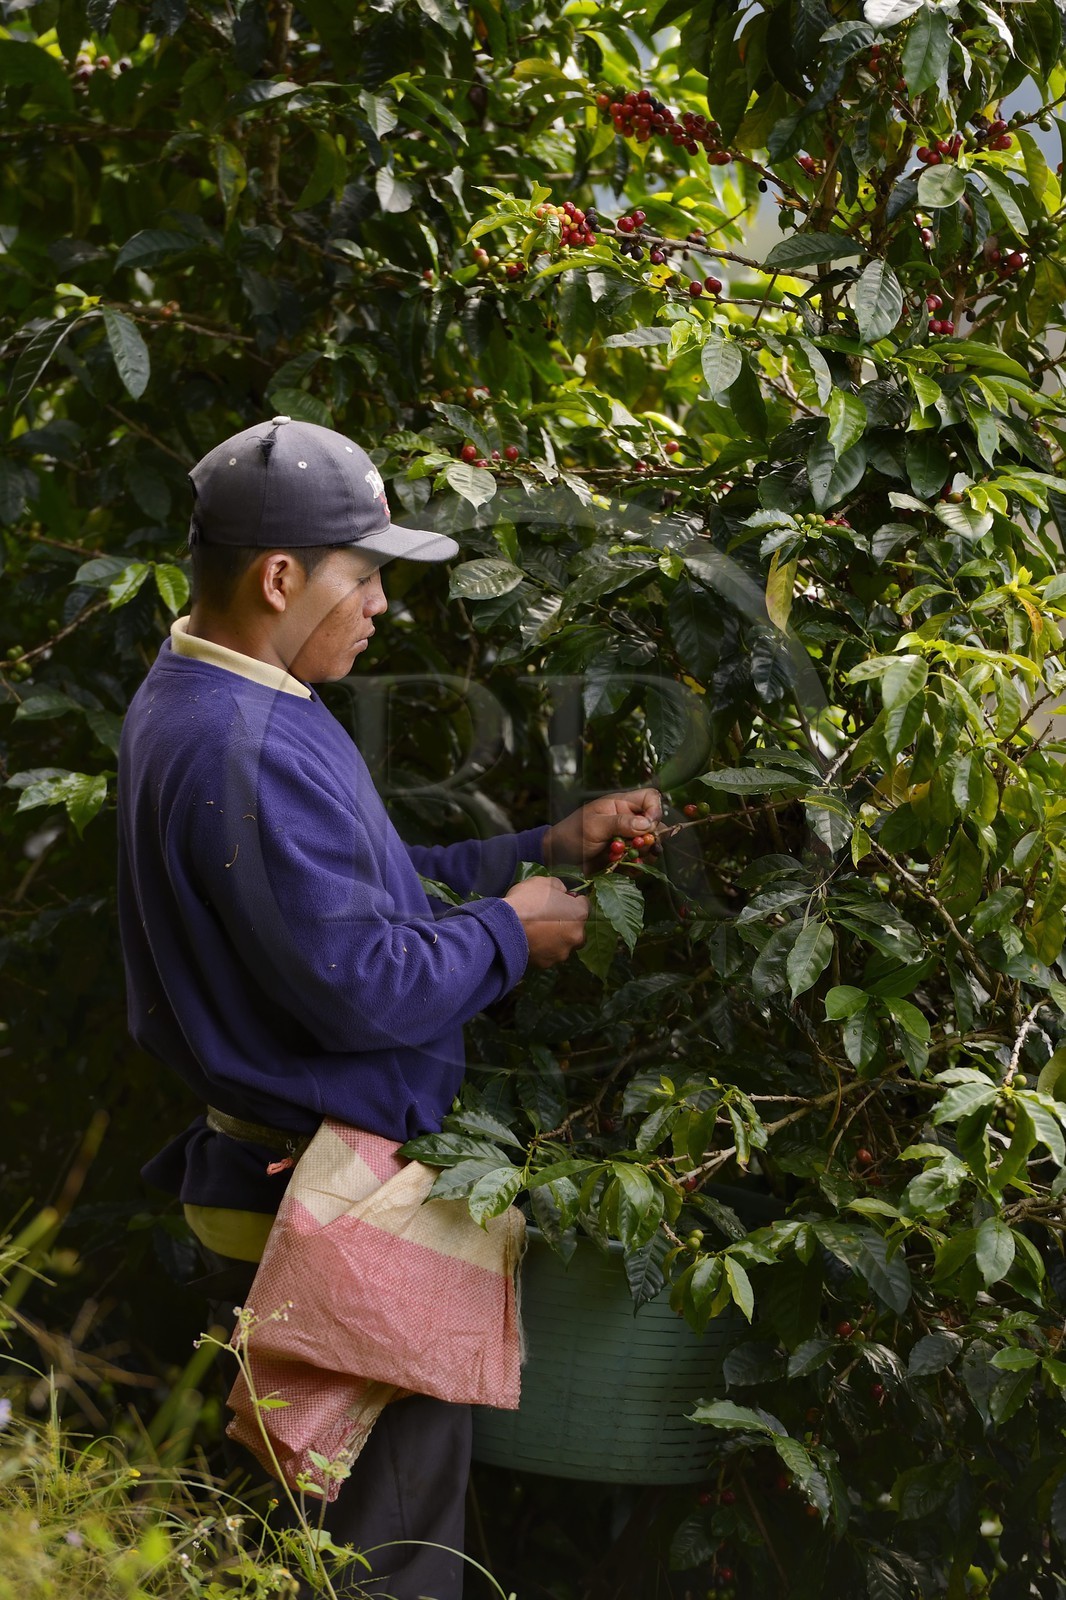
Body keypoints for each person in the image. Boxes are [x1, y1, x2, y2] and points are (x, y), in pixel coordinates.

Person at [116, 414, 663, 1598]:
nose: (377, 605)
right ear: (279, 578)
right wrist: (511, 930)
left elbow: (349, 895)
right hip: (318, 1206)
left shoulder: (222, 694)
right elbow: (362, 980)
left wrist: (539, 847)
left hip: (293, 1187)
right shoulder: (240, 741)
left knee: (324, 1555)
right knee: (393, 1562)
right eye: (362, 576)